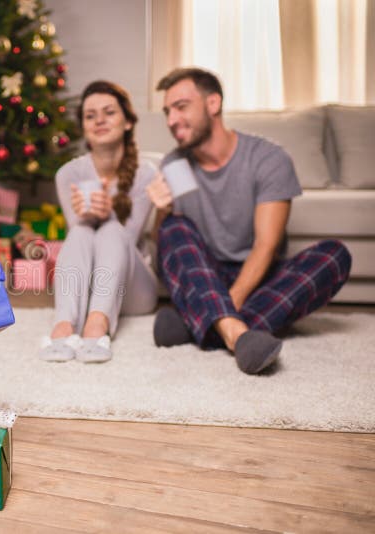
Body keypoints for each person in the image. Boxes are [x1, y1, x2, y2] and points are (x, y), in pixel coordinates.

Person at [147, 67, 351, 374]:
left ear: (213, 103)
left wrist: (222, 306)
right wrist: (161, 212)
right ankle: (236, 335)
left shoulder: (268, 158)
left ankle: (199, 326)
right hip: (205, 274)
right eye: (167, 112)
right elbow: (167, 248)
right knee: (173, 226)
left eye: (181, 107)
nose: (171, 120)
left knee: (334, 256)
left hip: (258, 275)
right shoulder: (175, 163)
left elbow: (266, 246)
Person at [39, 80, 159, 363]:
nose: (99, 121)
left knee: (112, 228)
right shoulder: (68, 174)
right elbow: (79, 245)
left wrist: (106, 214)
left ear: (128, 122)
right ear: (83, 127)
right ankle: (64, 324)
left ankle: (97, 325)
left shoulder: (146, 174)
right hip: (88, 287)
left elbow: (126, 241)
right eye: (90, 116)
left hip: (133, 290)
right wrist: (86, 216)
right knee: (81, 231)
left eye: (109, 112)